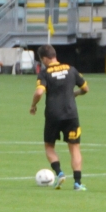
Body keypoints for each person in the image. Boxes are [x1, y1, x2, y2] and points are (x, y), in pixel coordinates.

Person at [29, 44, 89, 191]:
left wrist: (33, 105)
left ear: (43, 58)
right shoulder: (71, 69)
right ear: (54, 55)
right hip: (71, 114)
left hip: (53, 115)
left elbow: (38, 92)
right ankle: (77, 183)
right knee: (74, 148)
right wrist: (74, 94)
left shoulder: (45, 73)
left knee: (49, 146)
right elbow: (85, 89)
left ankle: (59, 172)